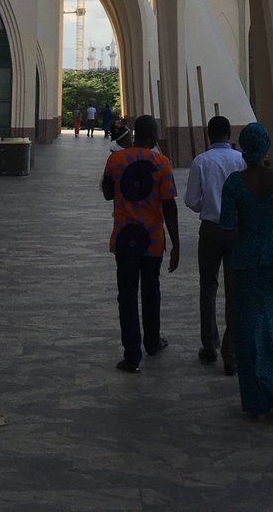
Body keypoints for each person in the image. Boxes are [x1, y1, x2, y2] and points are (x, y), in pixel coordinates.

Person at [219, 122, 273, 417]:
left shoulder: (234, 183)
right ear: (266, 147)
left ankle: (257, 399)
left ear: (242, 148)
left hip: (247, 259)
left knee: (249, 328)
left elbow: (227, 223)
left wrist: (249, 218)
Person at [101, 114, 180, 373]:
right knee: (151, 291)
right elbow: (169, 205)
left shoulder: (115, 159)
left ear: (135, 133)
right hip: (152, 239)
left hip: (125, 238)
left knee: (126, 295)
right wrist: (176, 243)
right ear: (155, 136)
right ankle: (153, 340)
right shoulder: (162, 162)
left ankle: (132, 354)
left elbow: (108, 192)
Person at [184, 115, 245, 375]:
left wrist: (208, 207)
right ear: (229, 134)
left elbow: (191, 200)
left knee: (208, 287)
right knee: (235, 290)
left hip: (210, 230)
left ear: (209, 135)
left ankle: (209, 345)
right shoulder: (240, 160)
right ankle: (231, 355)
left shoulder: (201, 161)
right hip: (236, 230)